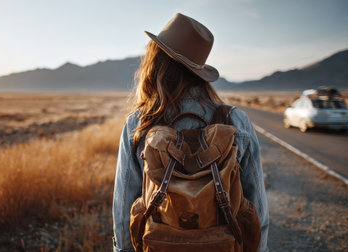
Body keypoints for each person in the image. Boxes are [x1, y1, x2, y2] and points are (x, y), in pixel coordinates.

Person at [112, 13, 269, 252]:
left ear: (156, 63)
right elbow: (256, 207)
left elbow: (125, 211)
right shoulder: (236, 121)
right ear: (199, 71)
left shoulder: (140, 123)